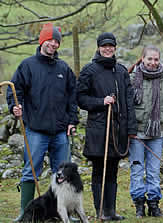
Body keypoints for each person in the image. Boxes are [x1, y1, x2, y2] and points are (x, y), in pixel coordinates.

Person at [6, 23, 79, 222]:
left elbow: (73, 97)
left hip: (60, 132)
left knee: (62, 176)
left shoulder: (64, 68)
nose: (53, 44)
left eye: (56, 41)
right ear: (42, 41)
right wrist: (15, 107)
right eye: (50, 40)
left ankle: (60, 213)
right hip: (36, 130)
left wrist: (72, 121)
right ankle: (25, 213)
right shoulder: (27, 65)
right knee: (30, 171)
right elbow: (14, 91)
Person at [77, 32, 137, 221]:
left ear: (115, 47)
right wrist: (101, 101)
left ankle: (111, 211)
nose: (108, 49)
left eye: (111, 45)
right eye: (104, 46)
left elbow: (128, 101)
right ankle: (100, 210)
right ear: (99, 47)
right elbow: (80, 98)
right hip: (98, 130)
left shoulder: (121, 71)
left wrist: (131, 129)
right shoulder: (89, 70)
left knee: (112, 170)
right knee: (99, 171)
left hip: (118, 130)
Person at [128, 45, 163, 218]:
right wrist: (128, 129)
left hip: (156, 134)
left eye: (156, 59)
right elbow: (127, 106)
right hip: (137, 133)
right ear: (143, 59)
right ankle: (139, 203)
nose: (153, 62)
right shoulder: (132, 78)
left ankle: (154, 204)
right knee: (137, 170)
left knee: (154, 170)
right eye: (149, 59)